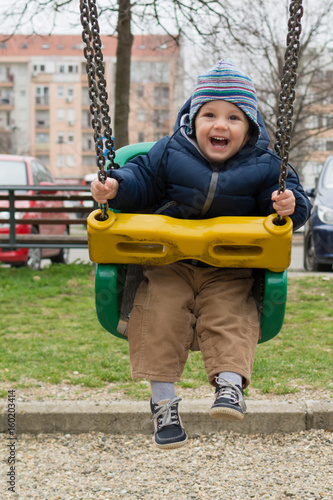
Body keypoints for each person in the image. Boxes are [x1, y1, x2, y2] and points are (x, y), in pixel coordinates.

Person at [91, 60, 312, 450]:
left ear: (250, 127)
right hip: (168, 262)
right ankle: (162, 402)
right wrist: (115, 186)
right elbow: (138, 179)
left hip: (230, 265)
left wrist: (288, 205)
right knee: (159, 311)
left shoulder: (265, 166)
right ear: (192, 120)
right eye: (209, 114)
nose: (220, 125)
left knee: (230, 313)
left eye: (234, 117)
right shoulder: (168, 152)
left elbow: (293, 201)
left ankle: (229, 386)